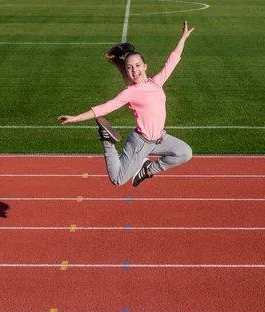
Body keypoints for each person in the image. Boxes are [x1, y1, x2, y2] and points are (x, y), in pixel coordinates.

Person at [58, 21, 195, 187]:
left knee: (185, 152)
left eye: (137, 66)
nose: (134, 70)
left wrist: (183, 38)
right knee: (118, 179)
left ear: (145, 66)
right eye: (129, 68)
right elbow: (105, 107)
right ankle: (108, 142)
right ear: (127, 71)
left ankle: (147, 170)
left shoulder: (156, 82)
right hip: (141, 142)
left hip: (159, 139)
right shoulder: (130, 92)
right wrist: (75, 118)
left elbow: (173, 60)